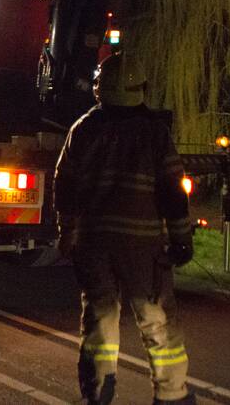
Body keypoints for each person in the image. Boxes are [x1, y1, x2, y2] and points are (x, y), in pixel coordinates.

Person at [55, 52, 194, 405]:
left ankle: (98, 392)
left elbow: (65, 184)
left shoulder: (83, 129)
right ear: (140, 89)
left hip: (93, 243)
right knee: (157, 322)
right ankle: (172, 396)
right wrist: (181, 238)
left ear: (101, 88)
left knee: (100, 318)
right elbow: (172, 192)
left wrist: (67, 231)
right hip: (141, 246)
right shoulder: (154, 134)